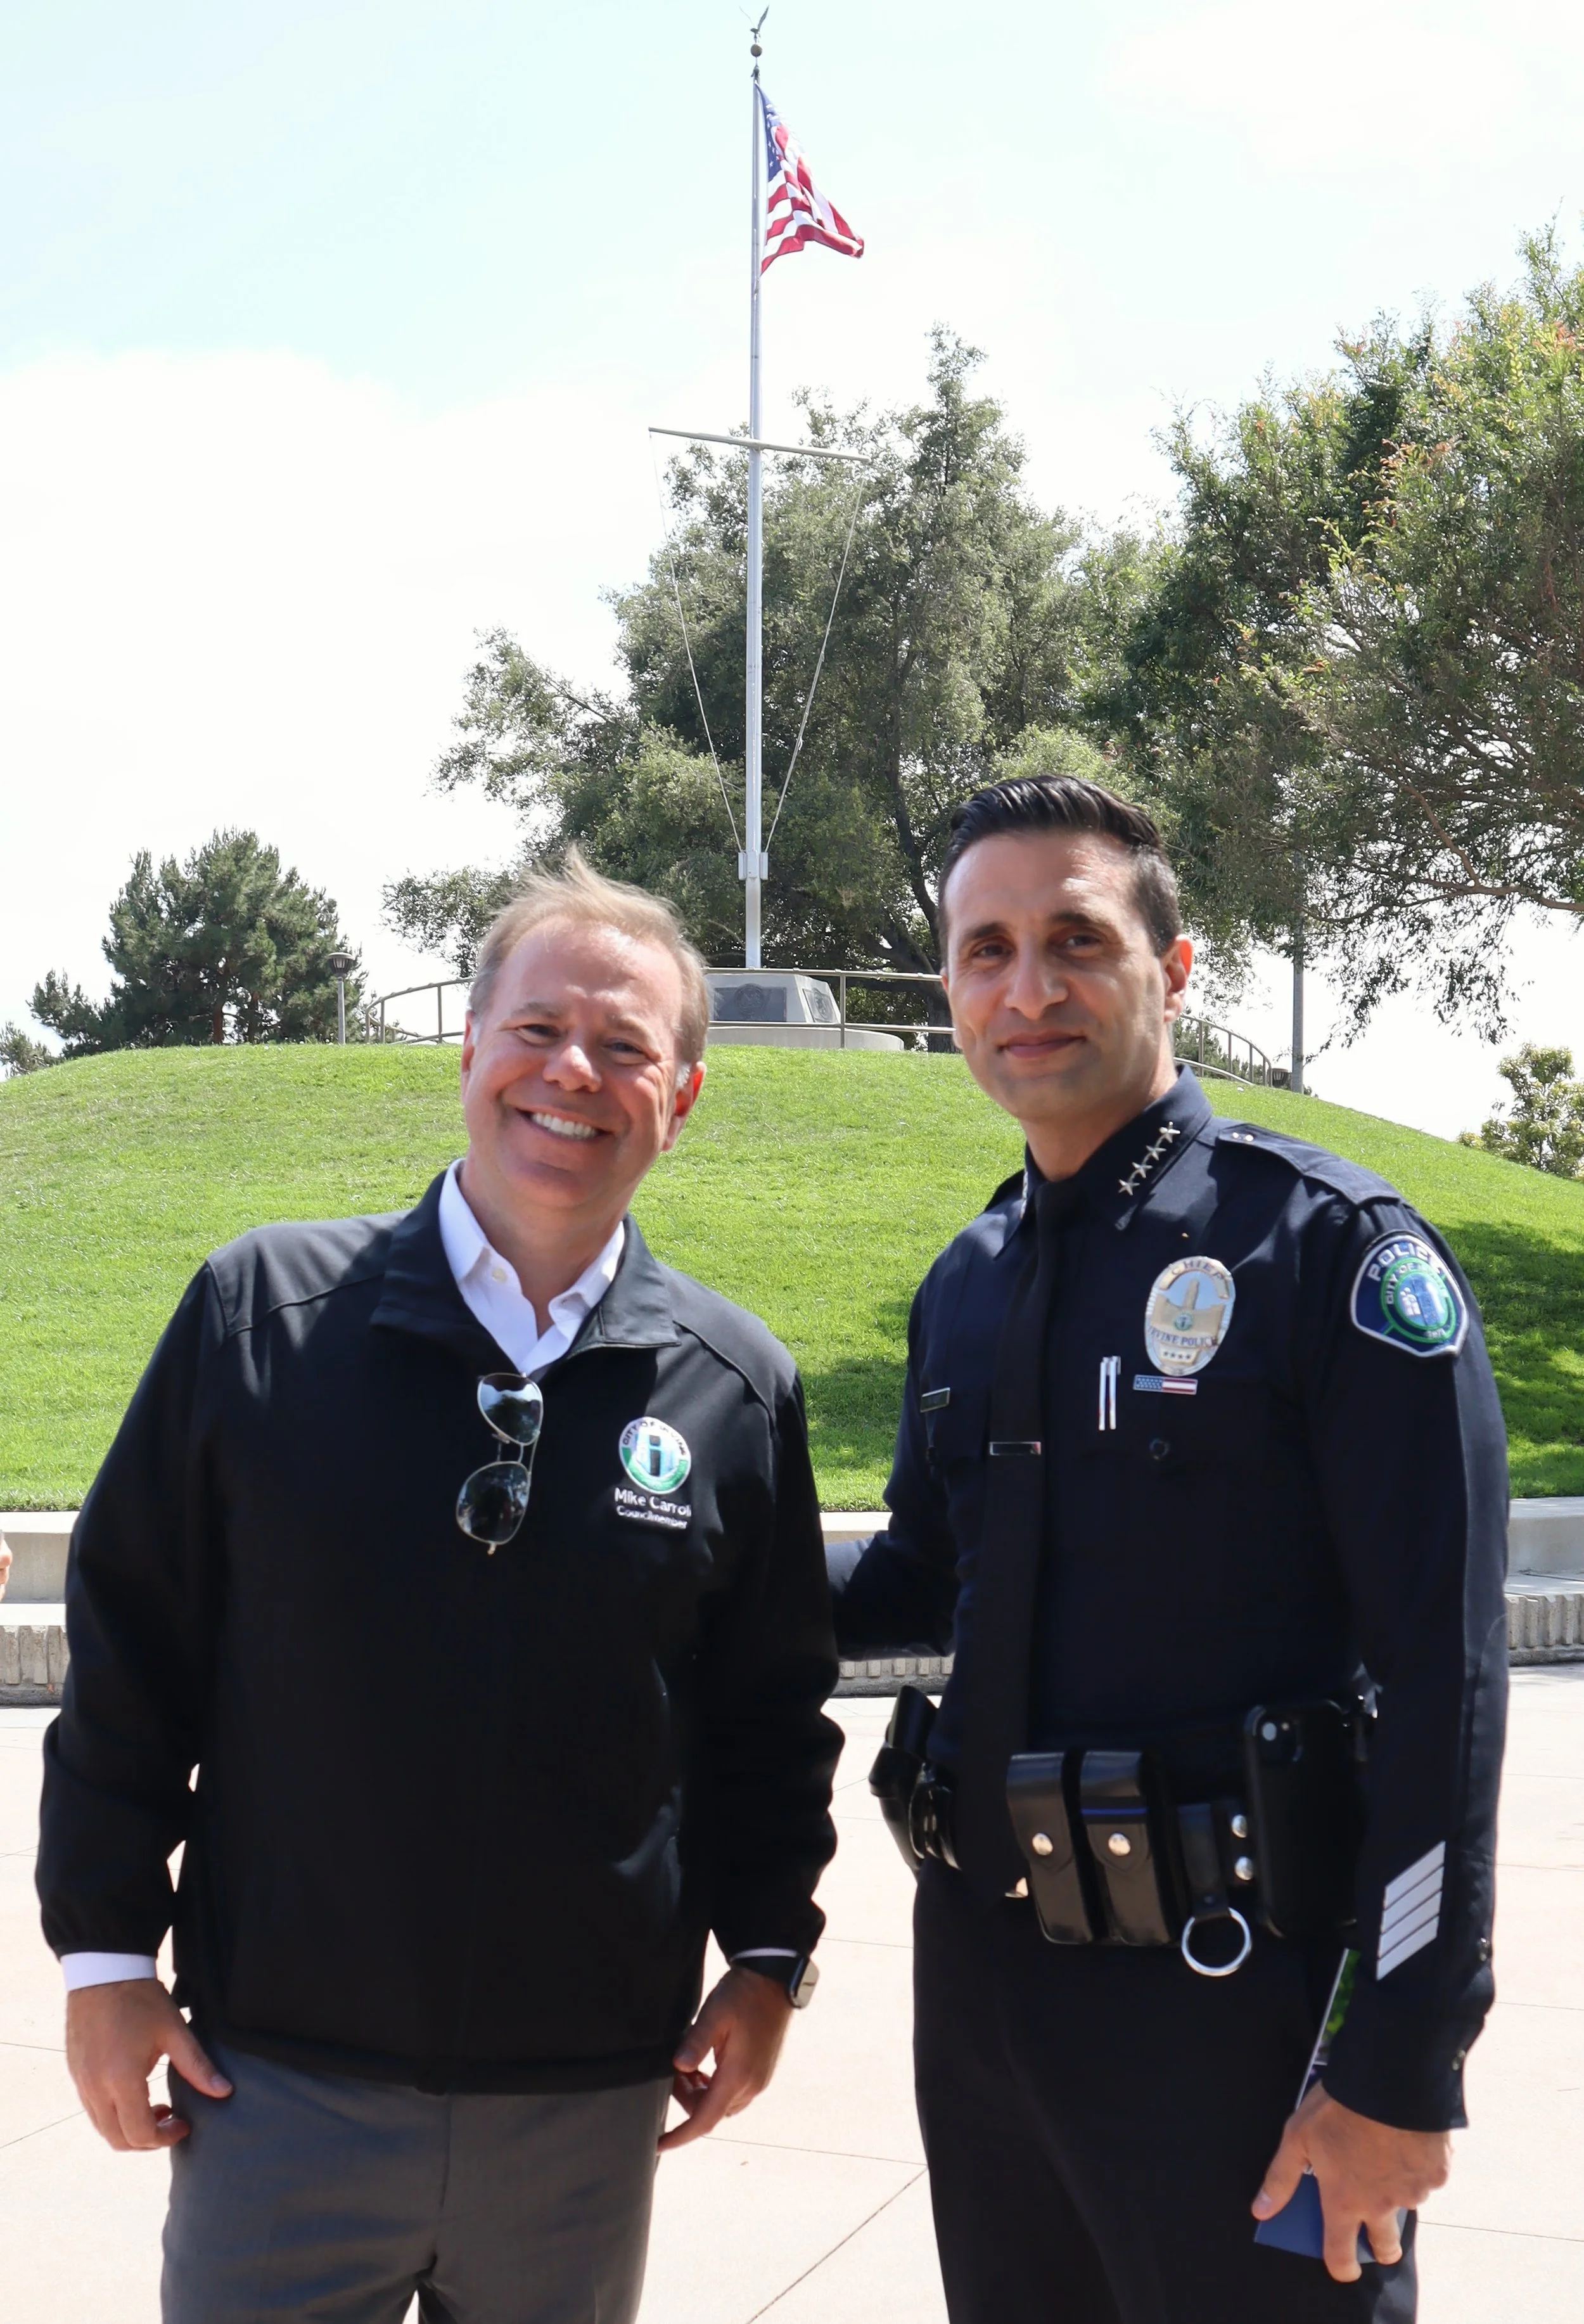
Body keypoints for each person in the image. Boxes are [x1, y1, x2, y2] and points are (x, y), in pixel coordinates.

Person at [37, 852, 840, 2324]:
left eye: (624, 1047)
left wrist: (770, 1955)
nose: (572, 1074)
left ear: (681, 1099)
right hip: (276, 2087)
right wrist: (102, 1954)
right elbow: (131, 1654)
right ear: (468, 1051)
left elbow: (766, 1716)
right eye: (535, 1031)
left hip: (588, 2111)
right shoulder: (258, 1318)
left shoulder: (737, 1386)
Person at [830, 776, 1507, 2324]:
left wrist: (1400, 2059)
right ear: (945, 987)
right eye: (982, 949)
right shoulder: (969, 1282)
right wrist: (656, 1576)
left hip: (1237, 2009)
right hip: (989, 2013)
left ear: (1172, 968)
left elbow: (1443, 1680)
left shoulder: (1324, 1251)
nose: (1026, 987)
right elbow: (916, 1593)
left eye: (1074, 938)